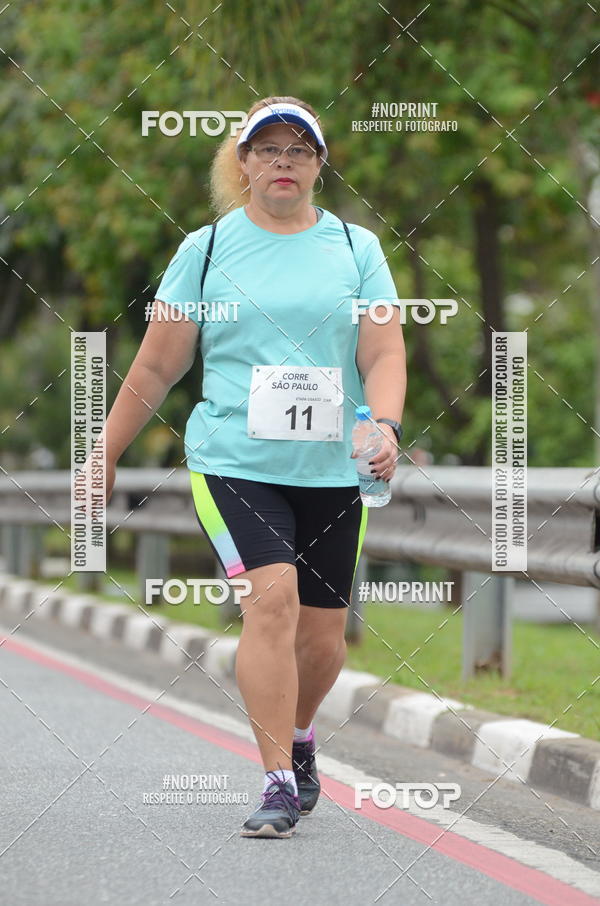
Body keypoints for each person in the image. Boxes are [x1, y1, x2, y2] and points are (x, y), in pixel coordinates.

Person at [102, 95, 407, 839]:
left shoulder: (355, 247)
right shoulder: (205, 250)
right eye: (266, 149)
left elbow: (384, 350)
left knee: (324, 638)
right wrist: (103, 455)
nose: (282, 161)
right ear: (241, 162)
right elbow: (155, 366)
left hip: (333, 468)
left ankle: (301, 736)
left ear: (318, 165)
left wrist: (387, 424)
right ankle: (275, 780)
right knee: (272, 601)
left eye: (298, 150)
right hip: (232, 461)